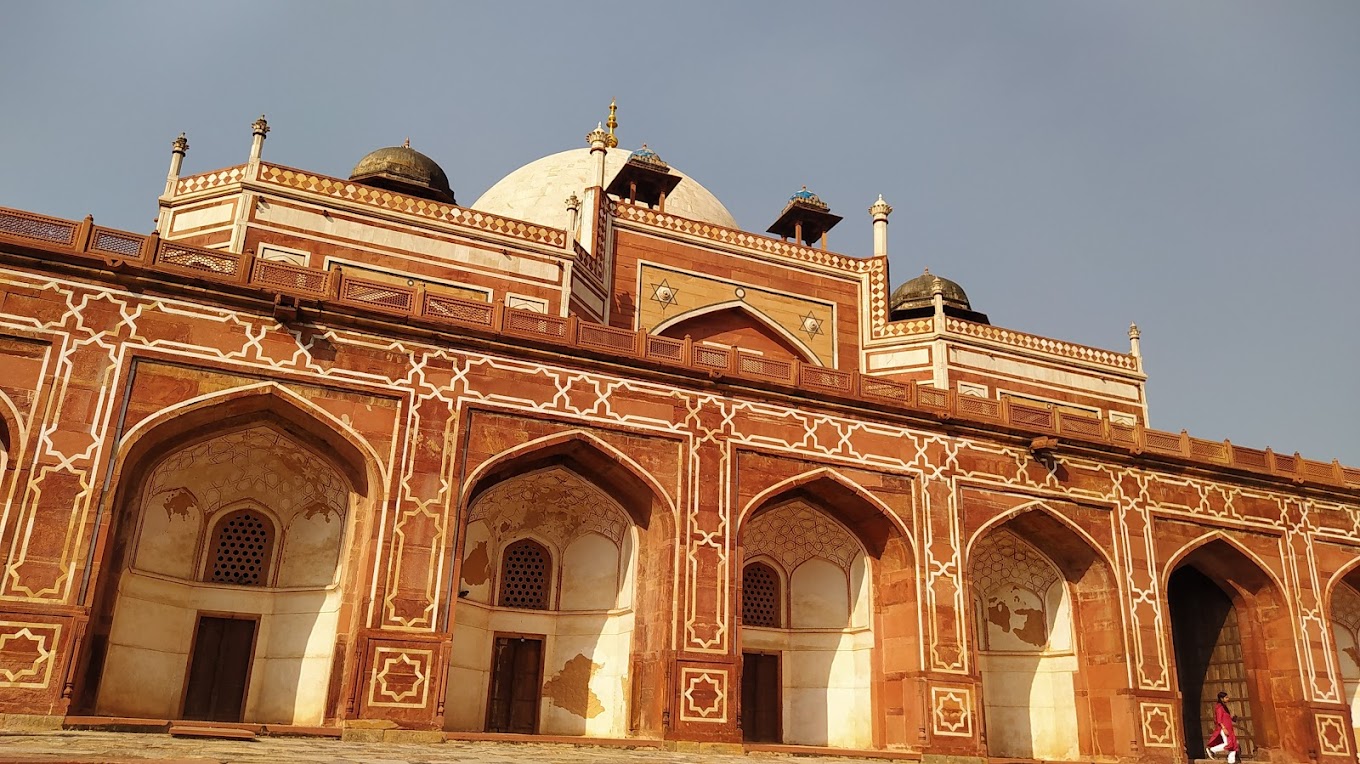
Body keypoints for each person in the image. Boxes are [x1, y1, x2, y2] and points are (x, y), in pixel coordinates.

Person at [1206, 690, 1239, 763]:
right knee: (1228, 744)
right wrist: (1223, 728)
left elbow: (1226, 718)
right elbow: (1219, 719)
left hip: (1229, 728)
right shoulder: (1219, 708)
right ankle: (1212, 750)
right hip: (1224, 728)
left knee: (1233, 745)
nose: (1228, 699)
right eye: (1226, 697)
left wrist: (1233, 719)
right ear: (1221, 698)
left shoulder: (1224, 707)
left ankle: (1231, 761)